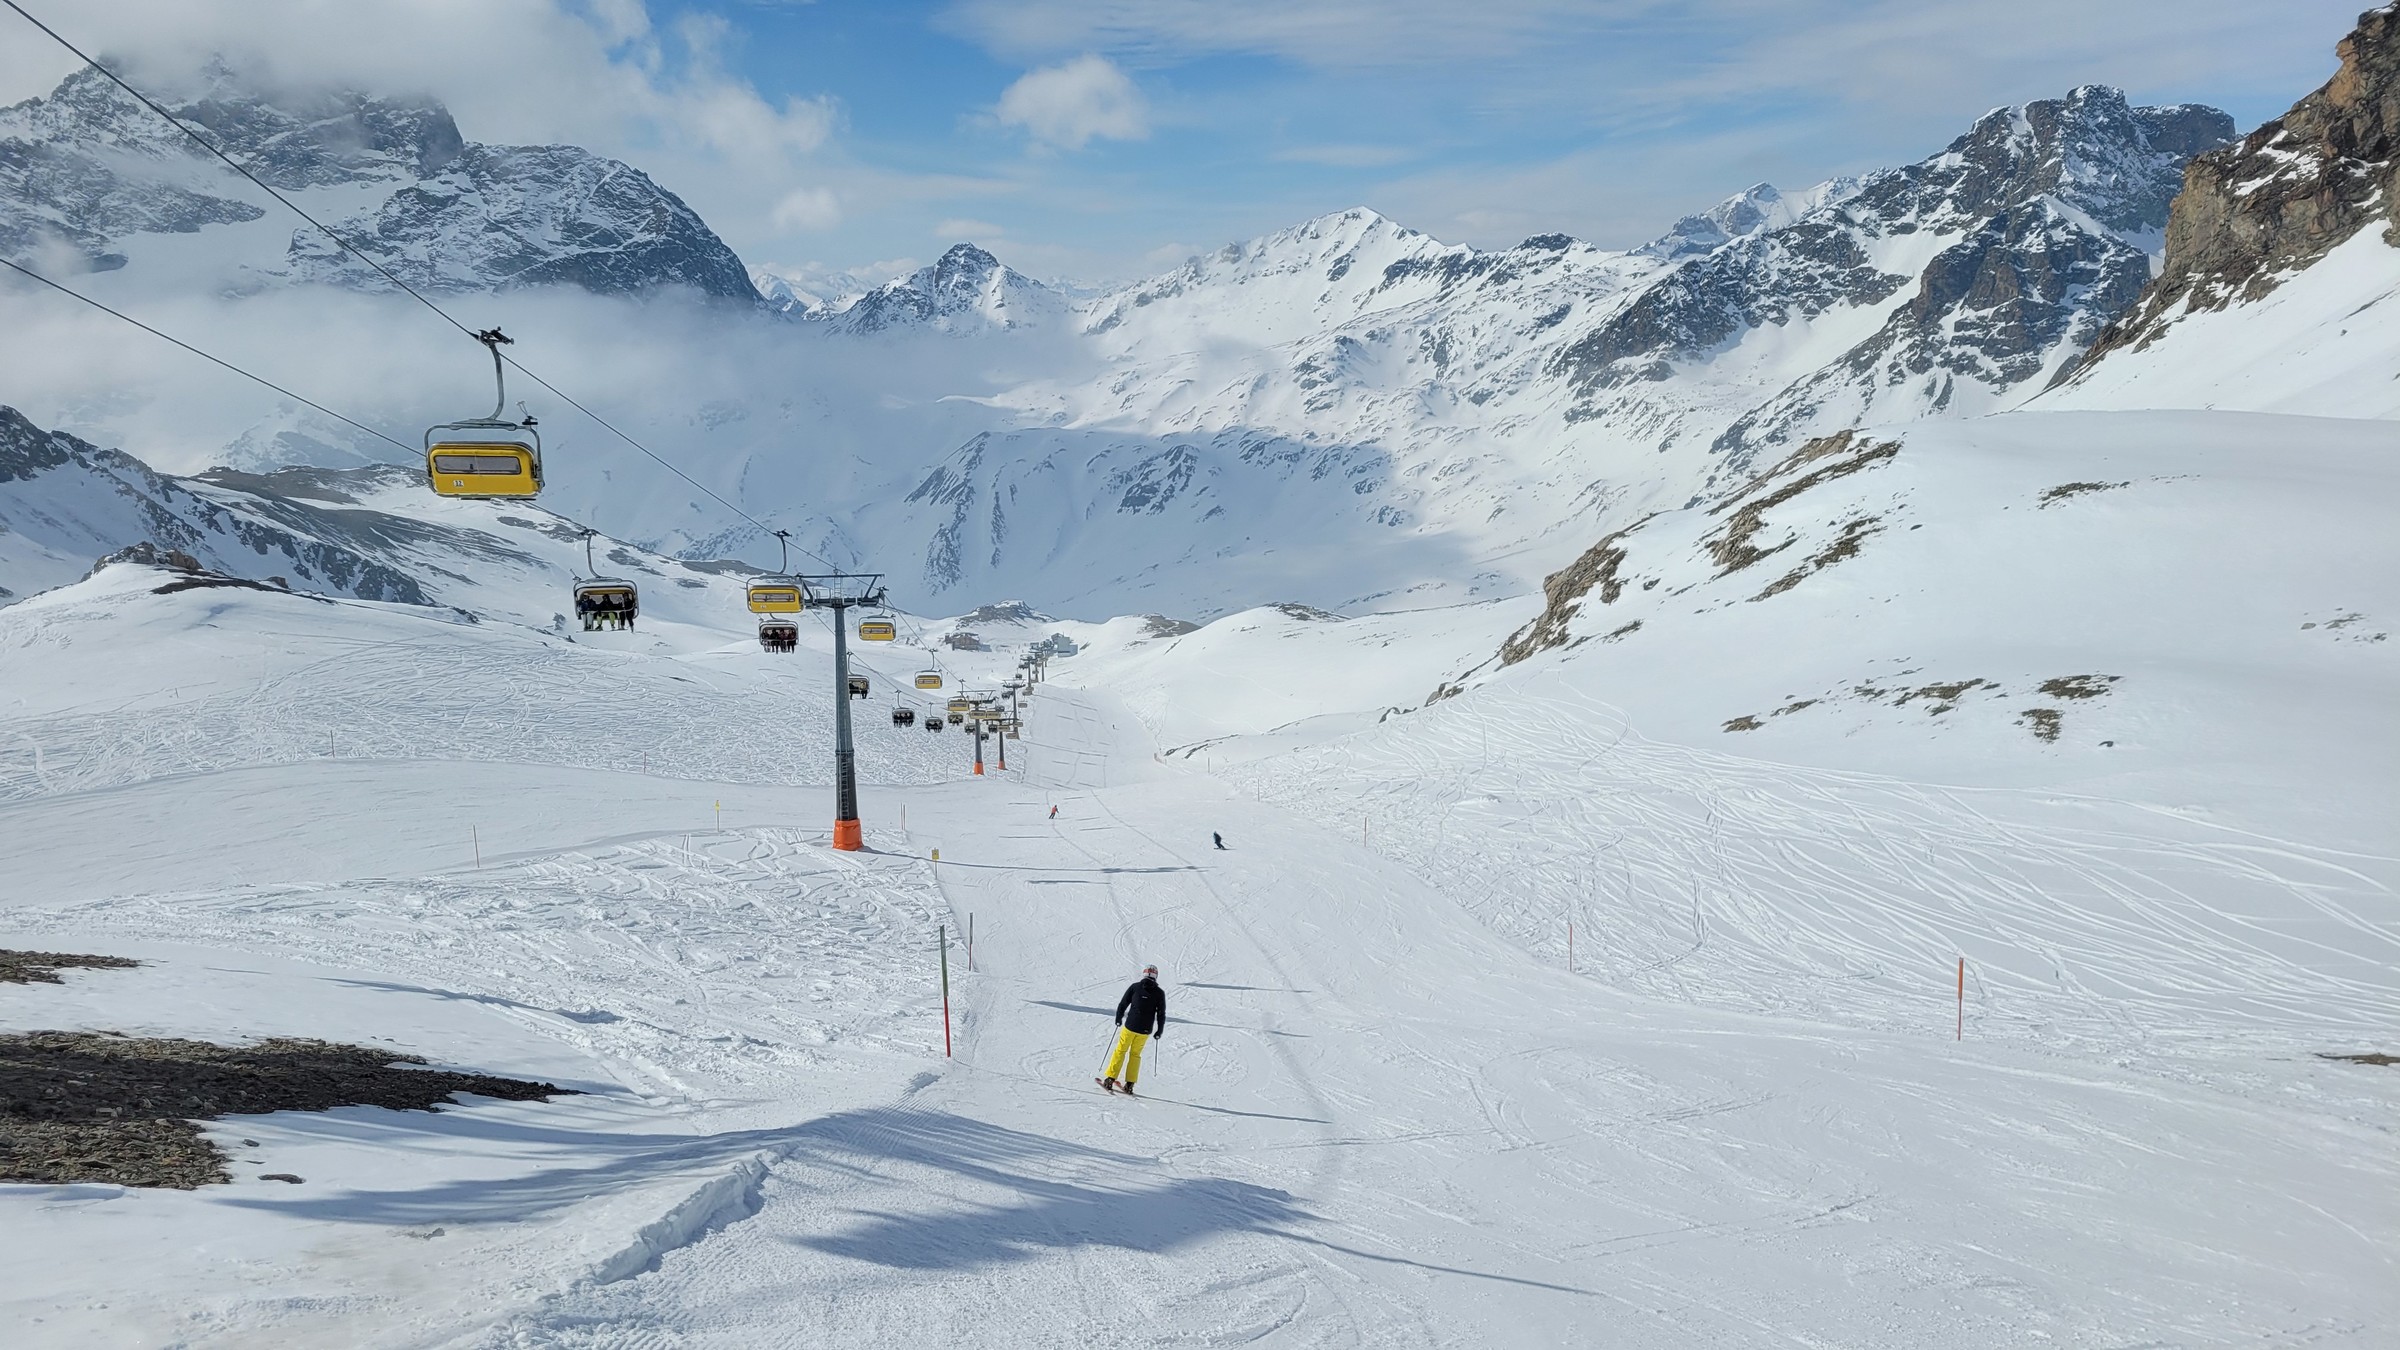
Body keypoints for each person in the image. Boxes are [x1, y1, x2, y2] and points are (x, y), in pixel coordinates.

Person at [1098, 964, 1166, 1095]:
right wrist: (1159, 1030)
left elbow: (1123, 1004)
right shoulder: (1159, 993)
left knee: (1120, 1050)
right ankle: (1130, 1084)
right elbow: (1161, 1014)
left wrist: (1118, 1018)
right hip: (1145, 1031)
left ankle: (1110, 1078)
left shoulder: (1135, 987)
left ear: (1144, 974)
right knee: (1135, 1055)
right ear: (1156, 976)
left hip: (1130, 1026)